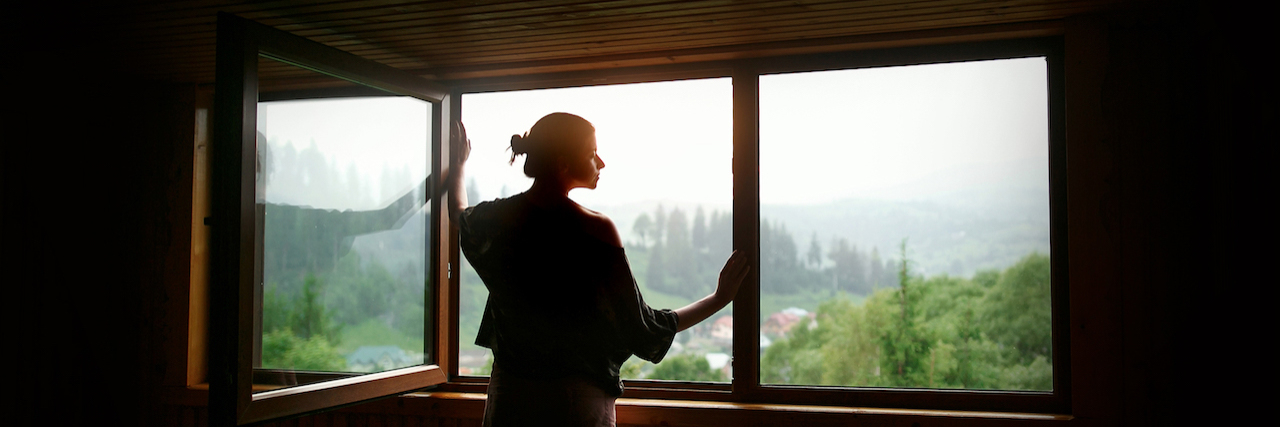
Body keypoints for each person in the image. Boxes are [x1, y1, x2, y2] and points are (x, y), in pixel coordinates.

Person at [446, 113, 749, 427]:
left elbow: (458, 213)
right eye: (591, 154)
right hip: (575, 403)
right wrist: (718, 299)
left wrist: (458, 166)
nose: (601, 162)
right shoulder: (594, 230)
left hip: (510, 397)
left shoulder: (500, 218)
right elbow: (642, 327)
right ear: (563, 164)